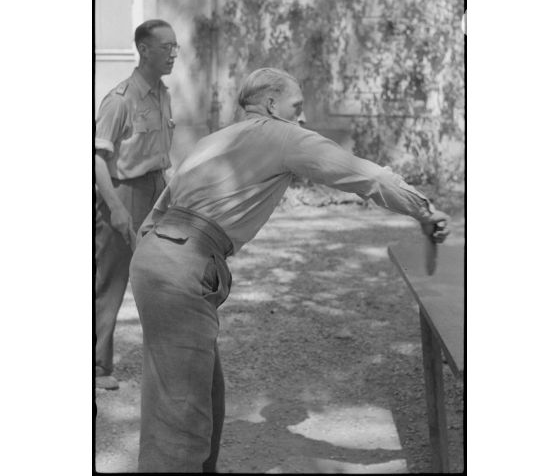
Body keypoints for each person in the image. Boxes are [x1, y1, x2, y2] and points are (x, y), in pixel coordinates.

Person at [129, 67, 450, 472]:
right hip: (184, 263)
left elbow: (158, 210)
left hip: (159, 257)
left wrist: (162, 261)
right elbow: (363, 174)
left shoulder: (216, 139)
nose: (303, 118)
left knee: (203, 395)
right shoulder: (283, 134)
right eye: (297, 107)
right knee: (181, 414)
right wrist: (423, 210)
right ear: (271, 105)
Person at [95, 19, 178, 390]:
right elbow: (97, 158)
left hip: (158, 191)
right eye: (166, 47)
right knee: (110, 282)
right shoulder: (120, 99)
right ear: (144, 49)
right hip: (123, 191)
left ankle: (165, 362)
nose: (173, 54)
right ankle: (97, 367)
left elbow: (160, 153)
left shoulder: (162, 94)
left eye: (176, 47)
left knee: (163, 276)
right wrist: (114, 207)